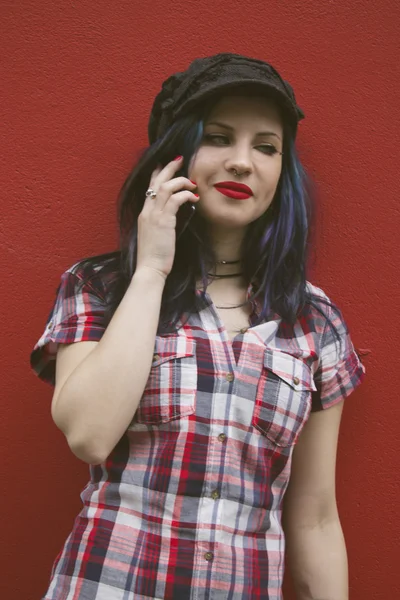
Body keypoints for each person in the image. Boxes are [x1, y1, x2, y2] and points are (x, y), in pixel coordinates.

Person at [30, 53, 366, 600]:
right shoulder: (100, 287)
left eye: (266, 147)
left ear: (283, 172)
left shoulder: (315, 323)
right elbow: (88, 435)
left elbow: (315, 519)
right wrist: (152, 270)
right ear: (176, 155)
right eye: (218, 137)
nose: (242, 162)